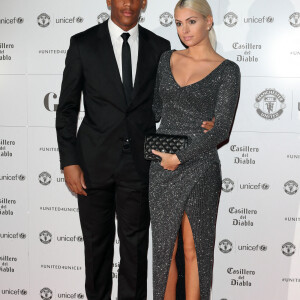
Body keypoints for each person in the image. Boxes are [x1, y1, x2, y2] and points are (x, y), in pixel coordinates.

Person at [56, 0, 215, 299]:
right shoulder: (83, 44)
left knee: (136, 250)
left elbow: (173, 99)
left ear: (144, 3)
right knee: (96, 249)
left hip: (142, 166)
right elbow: (66, 109)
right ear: (109, 1)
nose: (127, 3)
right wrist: (69, 161)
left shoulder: (161, 47)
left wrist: (207, 118)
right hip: (92, 165)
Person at [149, 0, 241, 300]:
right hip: (163, 165)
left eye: (191, 21)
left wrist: (181, 157)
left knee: (195, 249)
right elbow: (155, 110)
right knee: (164, 250)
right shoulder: (166, 59)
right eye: (178, 23)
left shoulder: (227, 70)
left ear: (208, 22)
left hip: (200, 165)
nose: (184, 30)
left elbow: (221, 130)